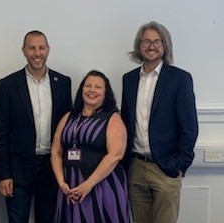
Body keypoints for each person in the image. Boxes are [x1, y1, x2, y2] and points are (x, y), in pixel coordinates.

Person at [120, 21, 199, 223]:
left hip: (166, 169)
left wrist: (179, 165)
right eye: (146, 41)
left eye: (157, 41)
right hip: (136, 168)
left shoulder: (179, 79)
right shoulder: (128, 80)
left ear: (165, 46)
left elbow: (189, 128)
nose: (151, 46)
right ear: (139, 46)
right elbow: (126, 123)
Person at [0, 30, 72, 223]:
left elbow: (68, 130)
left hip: (52, 167)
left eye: (41, 48)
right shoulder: (8, 85)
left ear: (48, 50)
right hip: (18, 170)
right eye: (32, 48)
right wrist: (4, 174)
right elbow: (2, 133)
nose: (37, 53)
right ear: (23, 51)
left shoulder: (63, 83)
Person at [51, 70, 130, 223]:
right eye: (88, 86)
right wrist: (61, 183)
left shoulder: (113, 118)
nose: (92, 90)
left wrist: (88, 184)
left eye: (98, 87)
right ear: (82, 89)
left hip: (102, 187)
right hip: (70, 188)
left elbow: (115, 155)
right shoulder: (68, 117)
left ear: (106, 93)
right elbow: (56, 151)